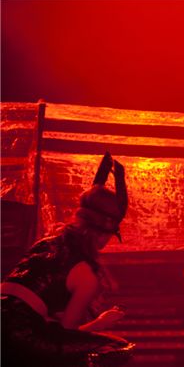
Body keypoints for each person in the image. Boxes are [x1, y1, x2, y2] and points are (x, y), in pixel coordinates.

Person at [1, 152, 134, 367]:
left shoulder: (46, 243)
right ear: (103, 234)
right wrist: (99, 323)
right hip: (18, 333)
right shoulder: (86, 276)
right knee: (118, 348)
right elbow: (66, 335)